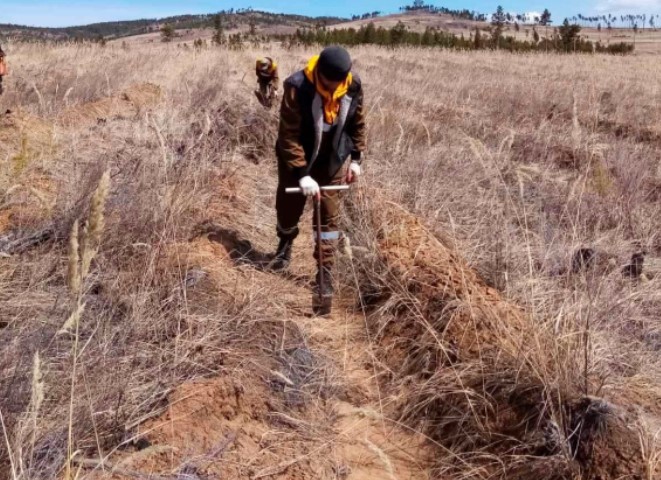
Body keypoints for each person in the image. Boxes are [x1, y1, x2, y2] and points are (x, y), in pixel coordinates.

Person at [272, 46, 366, 316]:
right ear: (320, 74)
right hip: (297, 158)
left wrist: (356, 159)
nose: (334, 86)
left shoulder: (352, 86)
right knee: (288, 208)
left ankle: (325, 274)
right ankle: (285, 242)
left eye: (339, 81)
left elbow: (358, 123)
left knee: (328, 219)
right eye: (329, 82)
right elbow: (288, 135)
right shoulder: (297, 86)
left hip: (331, 160)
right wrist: (302, 175)